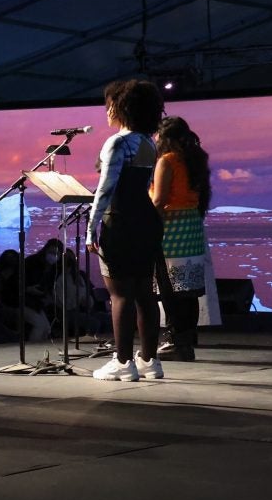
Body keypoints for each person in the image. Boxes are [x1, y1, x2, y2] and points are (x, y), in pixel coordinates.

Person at [88, 79, 166, 382]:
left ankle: (122, 362)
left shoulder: (118, 142)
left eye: (110, 105)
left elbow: (105, 189)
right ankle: (149, 359)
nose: (107, 111)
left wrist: (92, 227)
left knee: (119, 293)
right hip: (145, 222)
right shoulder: (149, 142)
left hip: (118, 221)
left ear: (121, 107)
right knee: (145, 293)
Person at [151, 115, 212, 361]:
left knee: (170, 289)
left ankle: (175, 341)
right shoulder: (195, 159)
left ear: (164, 137)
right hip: (192, 228)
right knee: (188, 290)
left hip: (171, 229)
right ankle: (186, 341)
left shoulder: (167, 160)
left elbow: (159, 200)